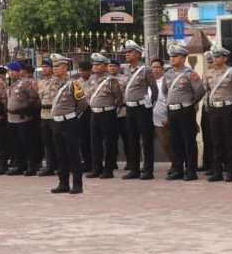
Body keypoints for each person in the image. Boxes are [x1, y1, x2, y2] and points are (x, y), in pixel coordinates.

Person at [161, 45, 204, 181]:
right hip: (172, 110)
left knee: (189, 141)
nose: (172, 59)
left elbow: (200, 91)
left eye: (175, 56)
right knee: (175, 141)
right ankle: (177, 169)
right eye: (171, 56)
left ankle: (191, 170)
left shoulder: (190, 74)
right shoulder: (168, 74)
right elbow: (165, 92)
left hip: (186, 110)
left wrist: (190, 102)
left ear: (183, 58)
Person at [202, 45, 232, 182]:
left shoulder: (231, 72)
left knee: (229, 141)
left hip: (227, 108)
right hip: (214, 109)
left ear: (225, 58)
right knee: (215, 141)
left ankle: (231, 171)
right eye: (214, 56)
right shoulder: (208, 73)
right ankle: (217, 172)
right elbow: (206, 90)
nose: (215, 59)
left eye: (218, 56)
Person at [49, 54, 87, 194]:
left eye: (58, 66)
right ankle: (63, 183)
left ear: (65, 67)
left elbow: (83, 104)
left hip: (69, 122)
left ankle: (77, 184)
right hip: (56, 123)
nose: (55, 69)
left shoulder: (73, 84)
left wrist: (73, 116)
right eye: (54, 67)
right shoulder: (52, 84)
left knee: (73, 154)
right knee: (60, 154)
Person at [122, 42, 157, 180]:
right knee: (132, 139)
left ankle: (148, 170)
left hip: (142, 107)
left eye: (130, 52)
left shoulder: (145, 70)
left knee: (146, 140)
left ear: (137, 54)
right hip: (130, 108)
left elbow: (154, 90)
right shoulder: (126, 70)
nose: (127, 54)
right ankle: (134, 169)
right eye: (127, 52)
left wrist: (149, 105)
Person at [86, 53, 121, 179]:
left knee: (109, 142)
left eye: (98, 64)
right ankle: (96, 168)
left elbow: (118, 97)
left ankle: (108, 169)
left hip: (107, 112)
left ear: (105, 66)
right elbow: (88, 94)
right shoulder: (92, 79)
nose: (95, 67)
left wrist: (111, 108)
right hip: (94, 112)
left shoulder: (111, 80)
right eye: (93, 65)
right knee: (95, 141)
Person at [5, 61, 39, 175]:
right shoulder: (12, 84)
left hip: (22, 118)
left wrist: (26, 107)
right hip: (11, 118)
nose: (11, 73)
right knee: (15, 143)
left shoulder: (25, 83)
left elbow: (34, 96)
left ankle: (31, 165)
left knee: (27, 143)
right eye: (9, 71)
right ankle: (20, 165)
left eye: (13, 71)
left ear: (19, 71)